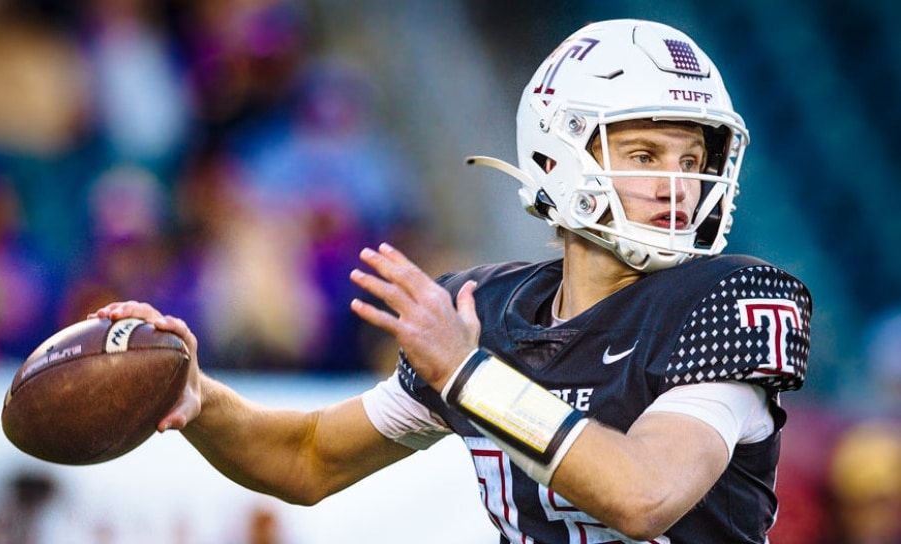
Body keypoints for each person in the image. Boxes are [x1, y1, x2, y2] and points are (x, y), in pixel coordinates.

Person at [93, 19, 811, 543]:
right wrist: (201, 399)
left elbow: (644, 494)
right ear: (555, 157)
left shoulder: (729, 300)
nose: (678, 184)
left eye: (691, 160)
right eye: (646, 153)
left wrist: (467, 376)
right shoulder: (487, 310)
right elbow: (307, 459)